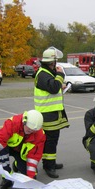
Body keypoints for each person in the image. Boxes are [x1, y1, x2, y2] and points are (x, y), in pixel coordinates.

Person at [34, 47, 70, 178]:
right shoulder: (42, 74)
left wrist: (60, 85)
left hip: (52, 113)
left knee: (52, 140)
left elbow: (53, 87)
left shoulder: (47, 73)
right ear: (51, 62)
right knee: (50, 141)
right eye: (55, 61)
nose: (56, 64)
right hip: (47, 114)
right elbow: (54, 88)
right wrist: (60, 75)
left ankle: (50, 162)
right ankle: (49, 166)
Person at [0, 110, 45, 189]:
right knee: (1, 150)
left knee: (30, 176)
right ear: (24, 122)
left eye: (34, 131)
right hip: (8, 147)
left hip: (21, 152)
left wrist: (30, 178)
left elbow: (34, 157)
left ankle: (17, 163)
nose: (31, 132)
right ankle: (7, 178)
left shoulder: (39, 134)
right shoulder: (12, 123)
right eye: (29, 130)